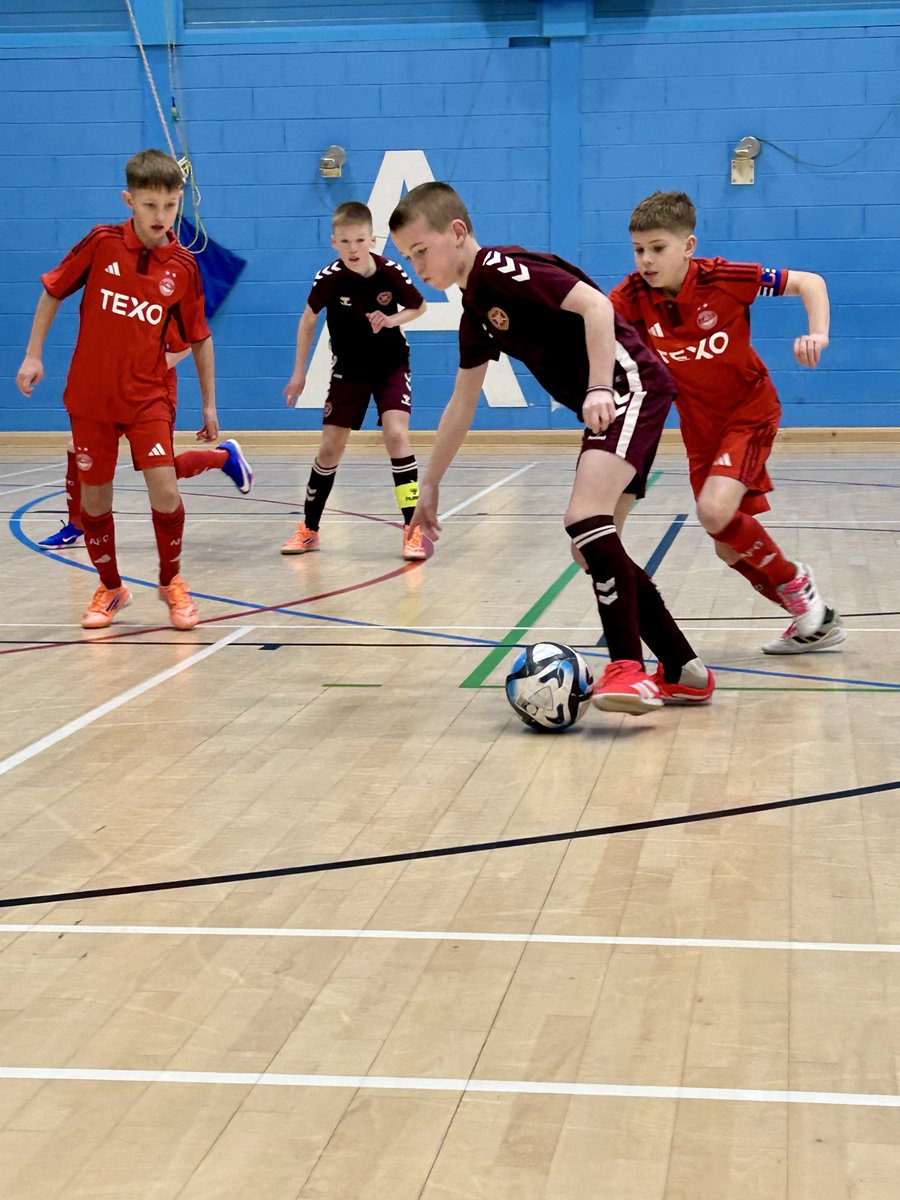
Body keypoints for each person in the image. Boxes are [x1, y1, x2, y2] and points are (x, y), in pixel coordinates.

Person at [388, 182, 714, 715]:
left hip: (631, 388)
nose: (417, 266)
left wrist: (599, 386)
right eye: (407, 257)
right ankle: (683, 669)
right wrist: (429, 484)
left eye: (421, 251)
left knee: (584, 516)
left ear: (457, 232)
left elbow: (596, 308)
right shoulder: (476, 307)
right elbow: (461, 403)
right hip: (619, 399)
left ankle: (626, 669)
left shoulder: (501, 271)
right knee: (589, 545)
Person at [609, 190, 844, 656]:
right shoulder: (631, 297)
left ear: (688, 246)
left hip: (750, 412)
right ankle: (813, 621)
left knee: (715, 512)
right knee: (728, 545)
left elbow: (810, 282)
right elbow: (593, 326)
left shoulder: (726, 277)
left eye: (658, 248)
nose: (646, 261)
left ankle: (798, 585)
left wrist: (817, 333)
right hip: (700, 428)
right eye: (638, 250)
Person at [16, 148, 222, 631]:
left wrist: (210, 404)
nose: (161, 217)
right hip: (90, 398)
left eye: (170, 206)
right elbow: (52, 290)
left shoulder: (184, 268)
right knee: (94, 500)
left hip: (147, 396)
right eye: (150, 205)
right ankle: (110, 587)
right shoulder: (102, 243)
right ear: (129, 200)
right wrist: (33, 353)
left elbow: (200, 338)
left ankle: (171, 580)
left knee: (166, 489)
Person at [281, 201, 429, 560]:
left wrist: (392, 321)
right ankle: (309, 529)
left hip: (391, 366)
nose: (352, 248)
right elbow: (307, 320)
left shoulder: (391, 273)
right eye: (345, 241)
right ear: (334, 241)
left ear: (372, 240)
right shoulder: (328, 278)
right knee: (330, 449)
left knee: (396, 434)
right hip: (347, 371)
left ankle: (413, 530)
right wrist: (299, 372)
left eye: (359, 240)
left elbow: (419, 306)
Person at [38, 338, 252, 551]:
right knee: (77, 448)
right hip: (112, 390)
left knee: (161, 472)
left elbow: (184, 348)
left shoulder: (166, 307)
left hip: (151, 394)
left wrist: (142, 372)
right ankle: (77, 524)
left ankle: (223, 457)